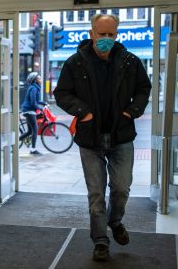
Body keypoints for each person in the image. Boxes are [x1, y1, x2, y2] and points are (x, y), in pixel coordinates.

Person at [54, 14, 151, 261]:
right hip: (90, 139)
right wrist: (82, 111)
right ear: (92, 33)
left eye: (111, 35)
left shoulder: (130, 61)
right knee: (96, 193)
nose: (106, 39)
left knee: (121, 188)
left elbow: (144, 88)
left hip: (121, 137)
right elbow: (62, 93)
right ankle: (100, 240)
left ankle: (115, 221)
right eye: (102, 34)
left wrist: (133, 110)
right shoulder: (75, 63)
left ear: (116, 34)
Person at [19, 72, 47, 155]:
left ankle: (14, 144)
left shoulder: (35, 87)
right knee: (35, 129)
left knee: (30, 131)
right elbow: (33, 103)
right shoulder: (33, 89)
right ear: (35, 80)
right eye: (39, 78)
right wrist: (40, 108)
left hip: (30, 110)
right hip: (29, 110)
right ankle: (33, 149)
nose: (41, 79)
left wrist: (44, 103)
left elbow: (37, 101)